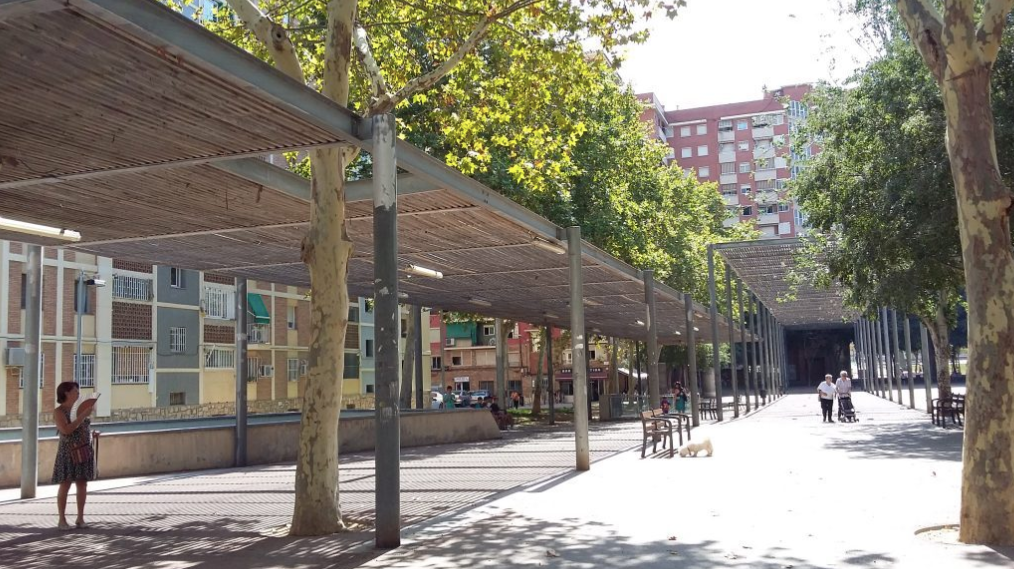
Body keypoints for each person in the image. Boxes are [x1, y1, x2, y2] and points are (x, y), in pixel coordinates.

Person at [52, 381, 95, 530]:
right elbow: (66, 430)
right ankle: (62, 519)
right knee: (66, 483)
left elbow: (83, 426)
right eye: (76, 391)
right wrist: (82, 416)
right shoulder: (59, 412)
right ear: (66, 393)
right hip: (68, 451)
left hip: (83, 449)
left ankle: (80, 517)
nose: (78, 394)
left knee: (82, 483)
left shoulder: (79, 409)